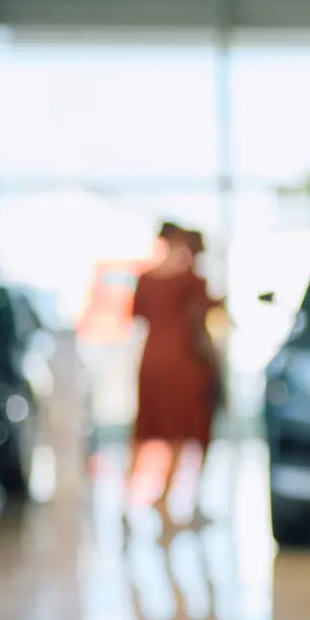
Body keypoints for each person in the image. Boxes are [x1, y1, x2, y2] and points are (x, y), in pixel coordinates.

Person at [129, 223, 222, 534]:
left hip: (151, 361)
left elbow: (137, 316)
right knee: (184, 432)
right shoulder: (191, 282)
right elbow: (207, 318)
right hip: (186, 365)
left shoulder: (146, 280)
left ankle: (136, 500)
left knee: (148, 432)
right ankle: (168, 497)